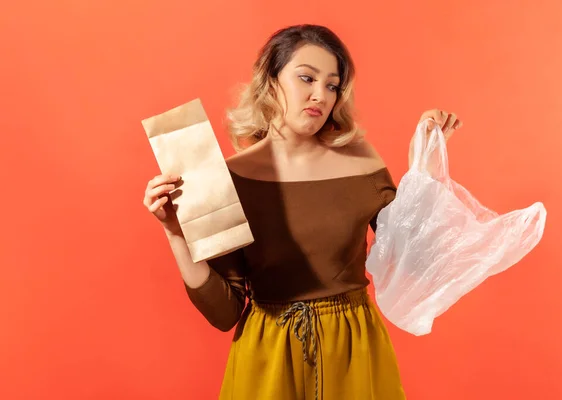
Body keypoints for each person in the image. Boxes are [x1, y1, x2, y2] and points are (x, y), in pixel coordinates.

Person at [142, 24, 461, 400]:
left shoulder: (361, 161)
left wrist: (424, 166)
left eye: (331, 85)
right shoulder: (229, 179)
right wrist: (175, 233)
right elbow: (224, 313)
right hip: (267, 359)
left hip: (354, 352)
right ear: (271, 80)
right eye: (306, 78)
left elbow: (411, 259)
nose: (319, 95)